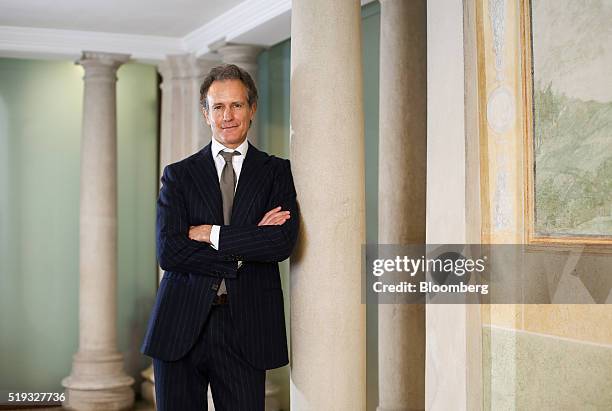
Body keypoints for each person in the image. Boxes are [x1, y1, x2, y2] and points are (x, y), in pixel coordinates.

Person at [141, 64, 299, 410]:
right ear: (205, 113)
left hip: (246, 327)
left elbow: (281, 243)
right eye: (218, 106)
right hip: (179, 322)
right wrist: (248, 244)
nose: (228, 116)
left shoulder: (277, 172)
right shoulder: (179, 176)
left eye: (237, 105)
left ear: (252, 109)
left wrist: (210, 233)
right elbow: (170, 252)